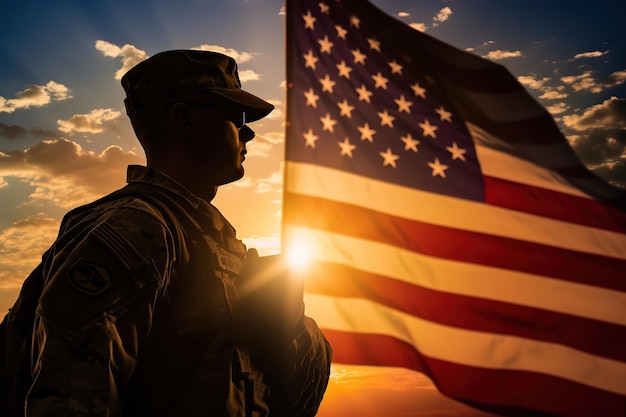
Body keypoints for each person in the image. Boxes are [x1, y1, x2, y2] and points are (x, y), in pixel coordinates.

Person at [4, 50, 332, 416]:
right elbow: (68, 396)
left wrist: (290, 332)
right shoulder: (135, 227)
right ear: (186, 119)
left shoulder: (200, 236)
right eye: (237, 118)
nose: (248, 133)